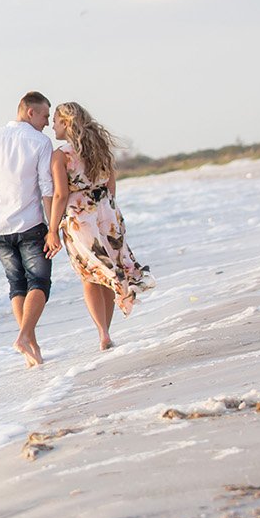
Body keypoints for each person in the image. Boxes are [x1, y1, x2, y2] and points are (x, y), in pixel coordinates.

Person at [46, 102, 155, 351]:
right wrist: (108, 210)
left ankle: (103, 334)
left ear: (66, 123)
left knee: (90, 275)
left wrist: (52, 230)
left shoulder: (61, 155)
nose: (52, 126)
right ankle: (106, 332)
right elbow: (111, 185)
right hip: (107, 212)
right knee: (109, 270)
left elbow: (61, 195)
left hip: (80, 217)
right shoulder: (101, 148)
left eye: (55, 121)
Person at [0, 91, 58, 368]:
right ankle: (23, 337)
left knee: (16, 285)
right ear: (29, 111)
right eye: (44, 115)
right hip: (31, 224)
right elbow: (47, 187)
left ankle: (31, 345)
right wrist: (53, 227)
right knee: (40, 283)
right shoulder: (41, 142)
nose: (46, 122)